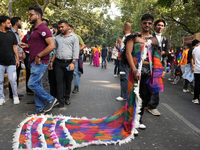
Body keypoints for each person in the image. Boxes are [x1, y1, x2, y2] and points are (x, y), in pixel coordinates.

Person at [123, 13, 162, 132]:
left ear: (152, 25)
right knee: (134, 96)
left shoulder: (154, 40)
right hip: (136, 70)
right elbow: (128, 54)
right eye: (145, 22)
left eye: (149, 23)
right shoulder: (134, 37)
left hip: (148, 71)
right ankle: (130, 123)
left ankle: (139, 120)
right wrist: (134, 70)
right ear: (141, 24)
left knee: (144, 97)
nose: (147, 25)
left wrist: (157, 74)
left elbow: (156, 57)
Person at [18, 6, 57, 115]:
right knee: (37, 85)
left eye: (31, 14)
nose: (29, 17)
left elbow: (52, 46)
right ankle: (39, 108)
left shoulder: (43, 29)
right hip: (34, 62)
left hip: (40, 61)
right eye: (28, 15)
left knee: (32, 84)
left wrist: (39, 55)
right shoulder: (35, 30)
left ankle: (50, 99)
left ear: (38, 16)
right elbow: (38, 45)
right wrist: (27, 45)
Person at [49, 20, 79, 108]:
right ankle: (60, 101)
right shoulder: (57, 38)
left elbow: (76, 50)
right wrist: (52, 61)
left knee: (68, 81)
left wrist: (73, 62)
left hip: (69, 62)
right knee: (59, 81)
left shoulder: (74, 37)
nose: (61, 29)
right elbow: (54, 51)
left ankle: (67, 97)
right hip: (58, 62)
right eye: (59, 27)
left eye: (62, 27)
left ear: (68, 27)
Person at [146, 19, 169, 116]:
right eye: (159, 25)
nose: (160, 27)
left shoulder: (165, 39)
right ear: (155, 26)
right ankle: (146, 103)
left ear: (164, 27)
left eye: (162, 25)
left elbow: (166, 51)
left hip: (159, 65)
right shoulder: (149, 37)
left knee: (156, 84)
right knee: (146, 83)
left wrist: (163, 53)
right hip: (149, 64)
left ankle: (153, 106)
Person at [0, 15, 20, 105]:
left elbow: (14, 47)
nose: (10, 24)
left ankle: (15, 96)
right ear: (3, 23)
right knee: (0, 80)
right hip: (0, 62)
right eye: (8, 23)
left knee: (12, 80)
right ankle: (1, 97)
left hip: (11, 61)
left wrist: (17, 59)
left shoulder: (11, 34)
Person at [9, 17, 26, 100]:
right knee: (13, 77)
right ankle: (12, 94)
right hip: (14, 58)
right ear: (16, 23)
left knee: (16, 76)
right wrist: (17, 54)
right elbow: (11, 46)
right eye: (20, 22)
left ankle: (15, 93)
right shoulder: (10, 33)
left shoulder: (17, 33)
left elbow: (19, 45)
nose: (21, 23)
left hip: (18, 58)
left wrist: (22, 53)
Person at [116, 22, 131, 101]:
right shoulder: (131, 37)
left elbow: (123, 51)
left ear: (124, 28)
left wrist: (117, 47)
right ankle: (126, 94)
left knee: (123, 78)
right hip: (129, 62)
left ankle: (123, 95)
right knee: (127, 77)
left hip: (124, 62)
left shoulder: (125, 38)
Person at [68, 24, 85, 94]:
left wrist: (77, 50)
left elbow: (83, 45)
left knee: (75, 72)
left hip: (75, 57)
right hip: (68, 56)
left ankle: (76, 86)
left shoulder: (77, 36)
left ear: (71, 29)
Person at [22, 27, 34, 96]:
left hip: (34, 54)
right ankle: (28, 90)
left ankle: (34, 89)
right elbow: (22, 44)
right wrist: (23, 52)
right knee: (28, 72)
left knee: (34, 72)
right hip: (27, 54)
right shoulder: (27, 36)